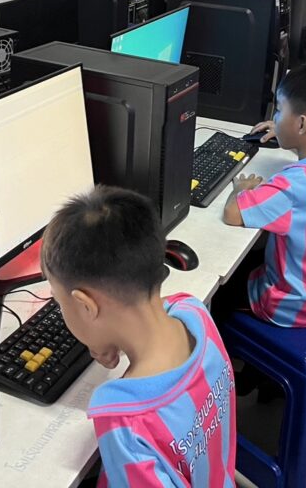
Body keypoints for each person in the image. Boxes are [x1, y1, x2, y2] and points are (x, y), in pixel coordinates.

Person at [41, 186, 237, 486]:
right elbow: (152, 311)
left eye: (58, 301)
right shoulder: (195, 313)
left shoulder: (126, 420)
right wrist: (109, 335)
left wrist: (104, 333)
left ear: (86, 305)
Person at [220, 64, 306, 327]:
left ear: (302, 124)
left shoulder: (293, 186)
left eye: (280, 110)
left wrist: (241, 189)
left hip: (294, 306)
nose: (276, 117)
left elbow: (232, 214)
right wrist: (287, 130)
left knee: (220, 290)